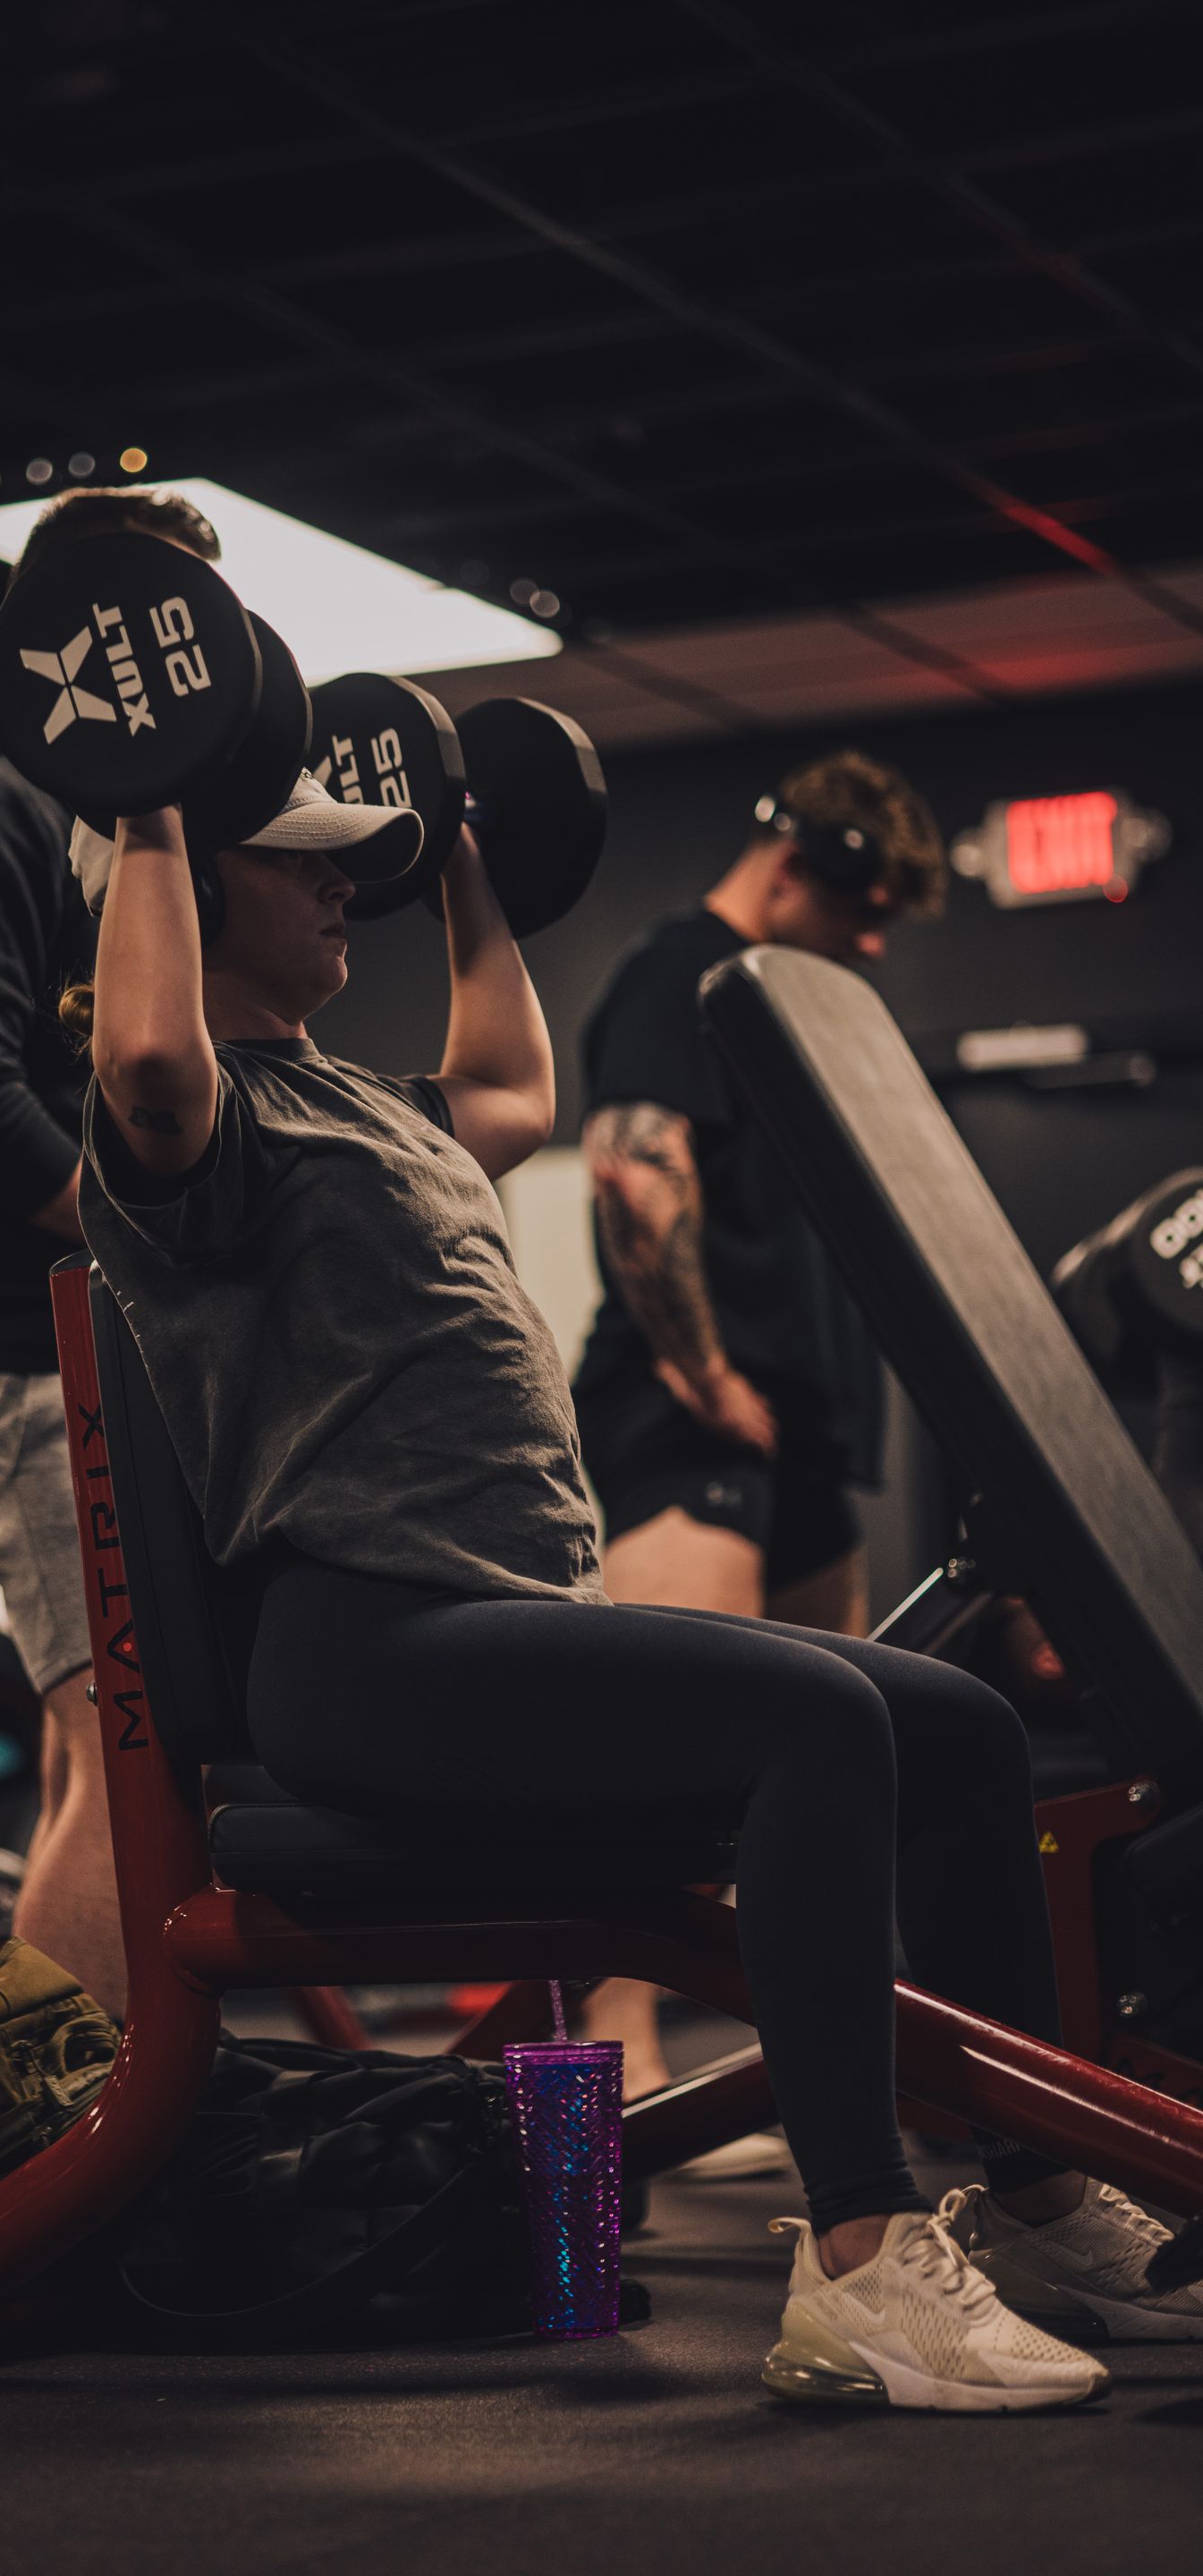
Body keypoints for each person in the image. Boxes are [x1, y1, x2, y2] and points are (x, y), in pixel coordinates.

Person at [67, 769, 1202, 2409]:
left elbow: (517, 1086)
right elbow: (149, 1053)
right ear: (191, 892)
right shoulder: (193, 1137)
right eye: (303, 866)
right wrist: (156, 800)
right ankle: (862, 2262)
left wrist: (467, 856)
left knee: (950, 1723)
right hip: (369, 1649)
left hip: (501, 1626)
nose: (340, 891)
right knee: (812, 1721)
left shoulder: (366, 1103)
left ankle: (1027, 2200)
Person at [0, 481, 221, 2019]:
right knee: (112, 1750)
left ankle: (84, 2136)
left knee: (147, 1755)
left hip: (123, 1356)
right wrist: (130, 1228)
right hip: (25, 1362)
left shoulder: (129, 842)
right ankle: (37, 2160)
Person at [570, 752, 945, 2119]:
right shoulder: (683, 968)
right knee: (659, 1776)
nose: (875, 939)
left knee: (831, 1770)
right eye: (860, 910)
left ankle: (804, 2074)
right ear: (791, 870)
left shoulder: (791, 999)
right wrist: (707, 1375)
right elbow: (633, 1166)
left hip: (804, 1440)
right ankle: (619, 2067)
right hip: (689, 1421)